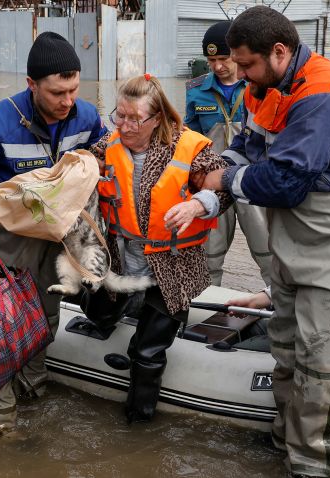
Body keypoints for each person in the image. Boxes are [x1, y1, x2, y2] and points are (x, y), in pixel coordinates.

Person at [202, 6, 330, 477]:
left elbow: (287, 182)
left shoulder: (321, 96)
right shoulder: (266, 85)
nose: (240, 74)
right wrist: (211, 193)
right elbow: (249, 148)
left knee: (324, 368)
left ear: (279, 51)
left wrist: (224, 181)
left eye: (246, 64)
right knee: (287, 354)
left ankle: (316, 468)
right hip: (300, 241)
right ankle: (285, 450)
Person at [0, 32, 108, 436]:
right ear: (31, 85)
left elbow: (105, 156)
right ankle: (2, 431)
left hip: (52, 239)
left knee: (45, 317)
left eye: (73, 90)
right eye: (57, 93)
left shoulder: (86, 117)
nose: (67, 101)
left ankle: (33, 395)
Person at [81, 74, 232, 424]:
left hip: (171, 267)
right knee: (99, 313)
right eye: (120, 115)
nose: (125, 125)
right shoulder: (110, 143)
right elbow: (82, 168)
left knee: (148, 351)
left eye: (135, 119)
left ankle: (139, 422)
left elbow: (224, 184)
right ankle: (114, 311)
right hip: (121, 260)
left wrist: (199, 204)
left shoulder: (189, 147)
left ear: (158, 118)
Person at [184, 20, 273, 287]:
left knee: (268, 251)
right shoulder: (196, 90)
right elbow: (189, 139)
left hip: (252, 179)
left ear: (236, 54)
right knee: (208, 255)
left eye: (223, 58)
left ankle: (280, 307)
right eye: (210, 60)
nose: (217, 66)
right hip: (213, 183)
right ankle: (206, 309)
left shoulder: (260, 86)